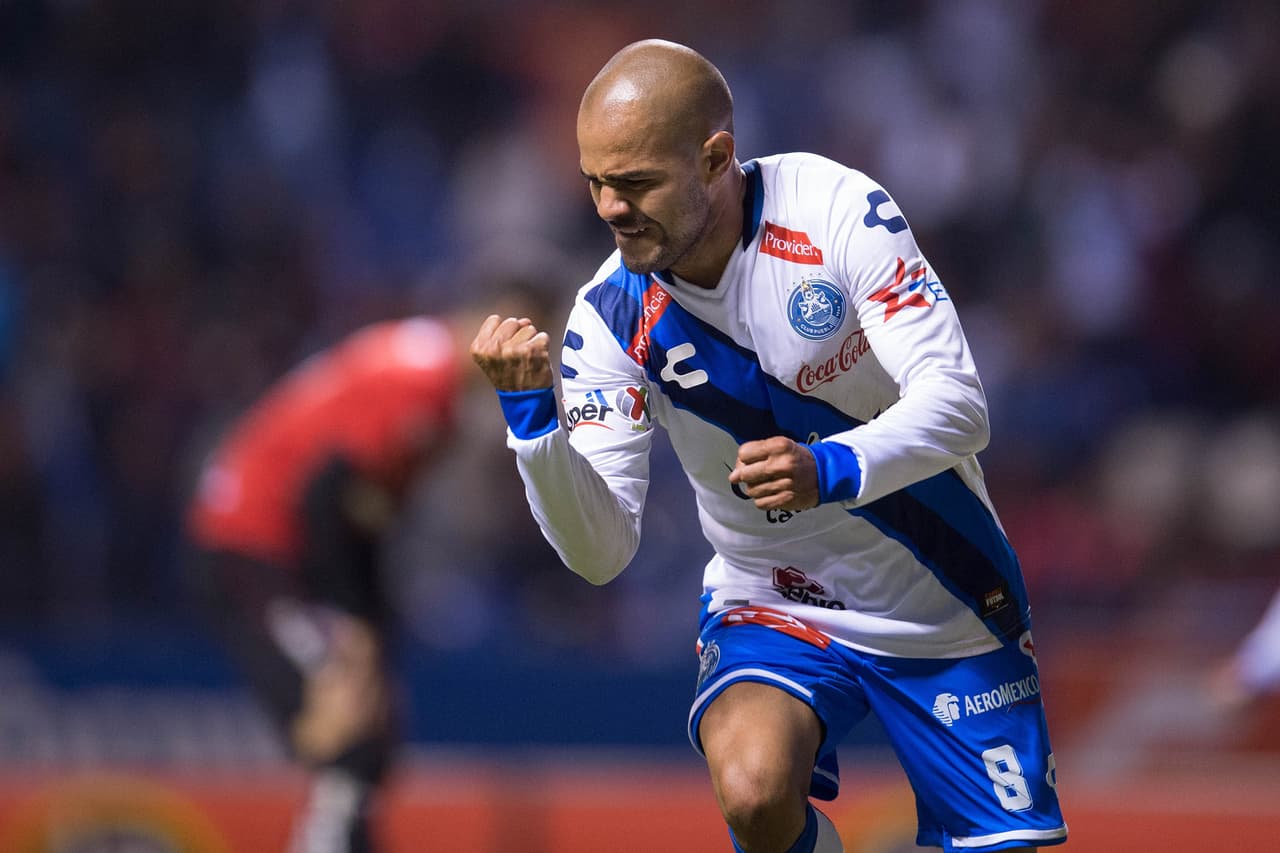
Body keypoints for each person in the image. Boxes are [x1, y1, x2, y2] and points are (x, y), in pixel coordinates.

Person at [471, 39, 1067, 853]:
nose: (610, 207)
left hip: (944, 596)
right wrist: (535, 423)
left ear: (715, 157)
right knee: (752, 791)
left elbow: (960, 405)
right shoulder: (607, 319)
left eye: (636, 182)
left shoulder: (837, 214)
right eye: (595, 182)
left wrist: (826, 467)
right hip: (774, 599)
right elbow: (601, 552)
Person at [186, 308, 483, 853]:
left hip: (274, 548)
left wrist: (370, 627)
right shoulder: (425, 387)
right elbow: (327, 499)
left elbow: (360, 517)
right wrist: (356, 624)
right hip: (254, 545)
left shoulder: (413, 359)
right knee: (347, 718)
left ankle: (336, 836)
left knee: (368, 725)